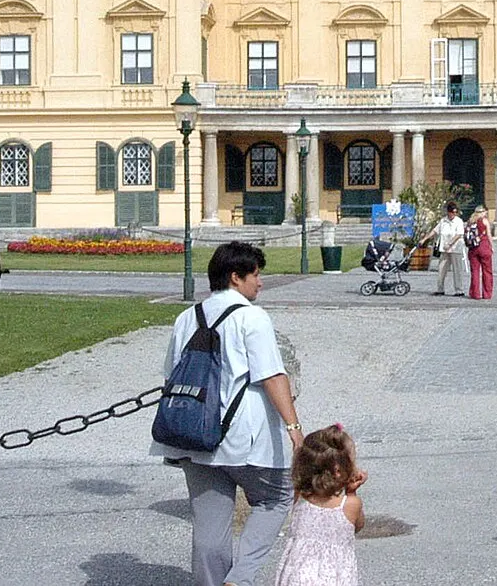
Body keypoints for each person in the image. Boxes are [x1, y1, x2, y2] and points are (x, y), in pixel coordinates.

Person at [156, 240, 305, 586]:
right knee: (275, 498)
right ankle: (240, 578)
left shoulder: (185, 318)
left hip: (194, 436)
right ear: (236, 277)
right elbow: (271, 375)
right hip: (245, 437)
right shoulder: (251, 317)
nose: (261, 282)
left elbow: (170, 375)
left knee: (209, 528)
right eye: (256, 275)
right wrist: (294, 426)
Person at [272, 424, 366, 586]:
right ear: (338, 471)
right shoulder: (350, 504)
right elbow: (357, 526)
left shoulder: (300, 495)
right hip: (333, 577)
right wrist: (351, 492)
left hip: (297, 574)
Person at [433, 204, 470, 296]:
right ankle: (440, 289)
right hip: (444, 249)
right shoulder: (443, 221)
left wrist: (450, 243)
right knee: (441, 269)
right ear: (448, 212)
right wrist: (425, 238)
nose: (454, 214)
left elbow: (459, 234)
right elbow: (435, 231)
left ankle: (459, 290)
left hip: (455, 248)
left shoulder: (459, 221)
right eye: (452, 212)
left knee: (457, 269)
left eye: (455, 212)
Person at [467, 205, 495, 300]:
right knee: (487, 271)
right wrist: (491, 246)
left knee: (475, 271)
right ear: (483, 212)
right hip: (484, 247)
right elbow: (489, 235)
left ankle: (475, 293)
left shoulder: (470, 221)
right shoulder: (484, 221)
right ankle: (487, 294)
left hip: (473, 248)